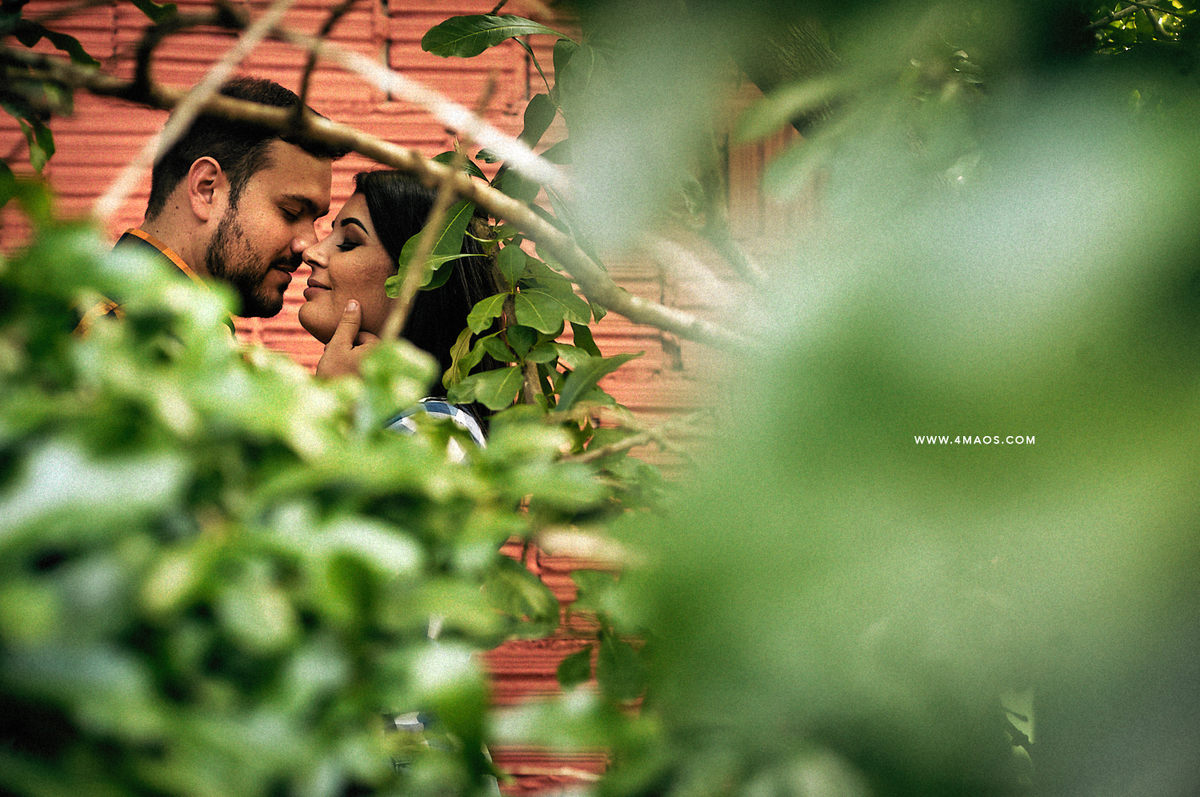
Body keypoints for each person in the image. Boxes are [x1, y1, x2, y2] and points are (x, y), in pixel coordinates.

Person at [108, 76, 345, 320]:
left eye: (314, 220)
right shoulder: (108, 333)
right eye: (291, 212)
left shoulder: (180, 326)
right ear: (206, 189)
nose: (308, 245)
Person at [299, 169, 505, 442]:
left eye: (348, 243)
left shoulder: (438, 433)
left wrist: (334, 403)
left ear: (420, 280)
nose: (311, 252)